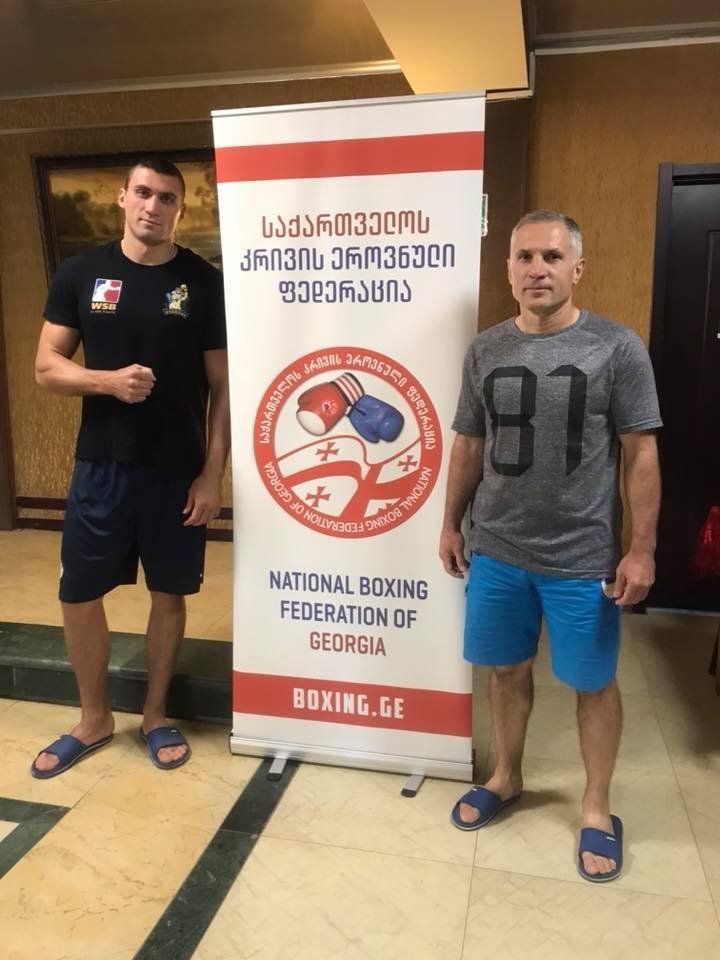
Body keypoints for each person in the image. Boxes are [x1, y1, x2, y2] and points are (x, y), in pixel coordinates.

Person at [439, 209, 661, 882]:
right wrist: (450, 522)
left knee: (592, 684)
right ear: (508, 269)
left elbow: (640, 452)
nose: (538, 269)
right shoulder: (485, 350)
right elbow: (468, 443)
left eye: (553, 257)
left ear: (577, 269)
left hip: (581, 557)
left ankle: (595, 807)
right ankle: (506, 776)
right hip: (497, 550)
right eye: (526, 257)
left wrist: (641, 549)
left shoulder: (617, 348)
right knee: (505, 671)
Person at [31, 156, 230, 777]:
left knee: (169, 593)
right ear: (122, 198)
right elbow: (46, 367)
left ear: (180, 209)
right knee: (77, 593)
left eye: (167, 197)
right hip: (101, 467)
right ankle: (93, 718)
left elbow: (224, 385)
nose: (153, 205)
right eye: (143, 192)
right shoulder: (80, 273)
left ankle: (155, 714)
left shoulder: (203, 281)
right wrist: (107, 381)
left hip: (177, 471)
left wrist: (213, 474)